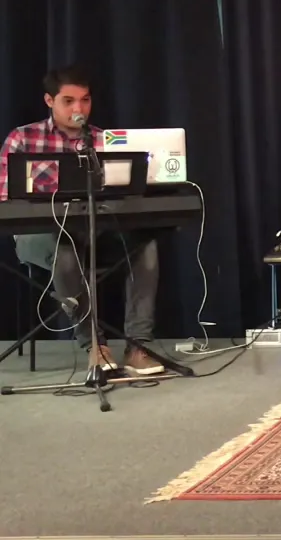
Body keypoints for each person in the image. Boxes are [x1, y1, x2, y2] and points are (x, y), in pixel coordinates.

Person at [0, 65, 164, 375]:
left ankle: (138, 345)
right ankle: (94, 345)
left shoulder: (104, 140)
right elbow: (6, 198)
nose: (79, 109)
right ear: (49, 100)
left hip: (95, 233)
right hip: (39, 235)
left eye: (85, 100)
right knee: (65, 249)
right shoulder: (22, 138)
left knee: (145, 246)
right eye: (69, 101)